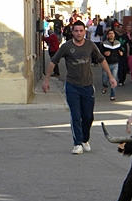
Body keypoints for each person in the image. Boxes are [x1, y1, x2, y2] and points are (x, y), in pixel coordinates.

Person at [42, 20, 117, 154]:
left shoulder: (90, 45)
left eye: (81, 31)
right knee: (76, 115)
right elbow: (53, 62)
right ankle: (77, 144)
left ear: (85, 32)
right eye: (76, 31)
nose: (78, 33)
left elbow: (101, 60)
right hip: (72, 86)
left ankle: (84, 139)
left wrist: (111, 77)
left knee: (88, 116)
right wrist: (46, 80)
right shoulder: (66, 47)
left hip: (88, 86)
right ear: (72, 32)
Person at [101, 29, 122, 100]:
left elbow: (122, 50)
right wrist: (104, 53)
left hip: (115, 63)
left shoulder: (118, 43)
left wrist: (121, 53)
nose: (111, 35)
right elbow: (100, 52)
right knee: (105, 78)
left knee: (114, 79)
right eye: (109, 33)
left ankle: (112, 95)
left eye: (112, 33)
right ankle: (105, 85)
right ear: (107, 35)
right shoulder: (104, 44)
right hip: (106, 64)